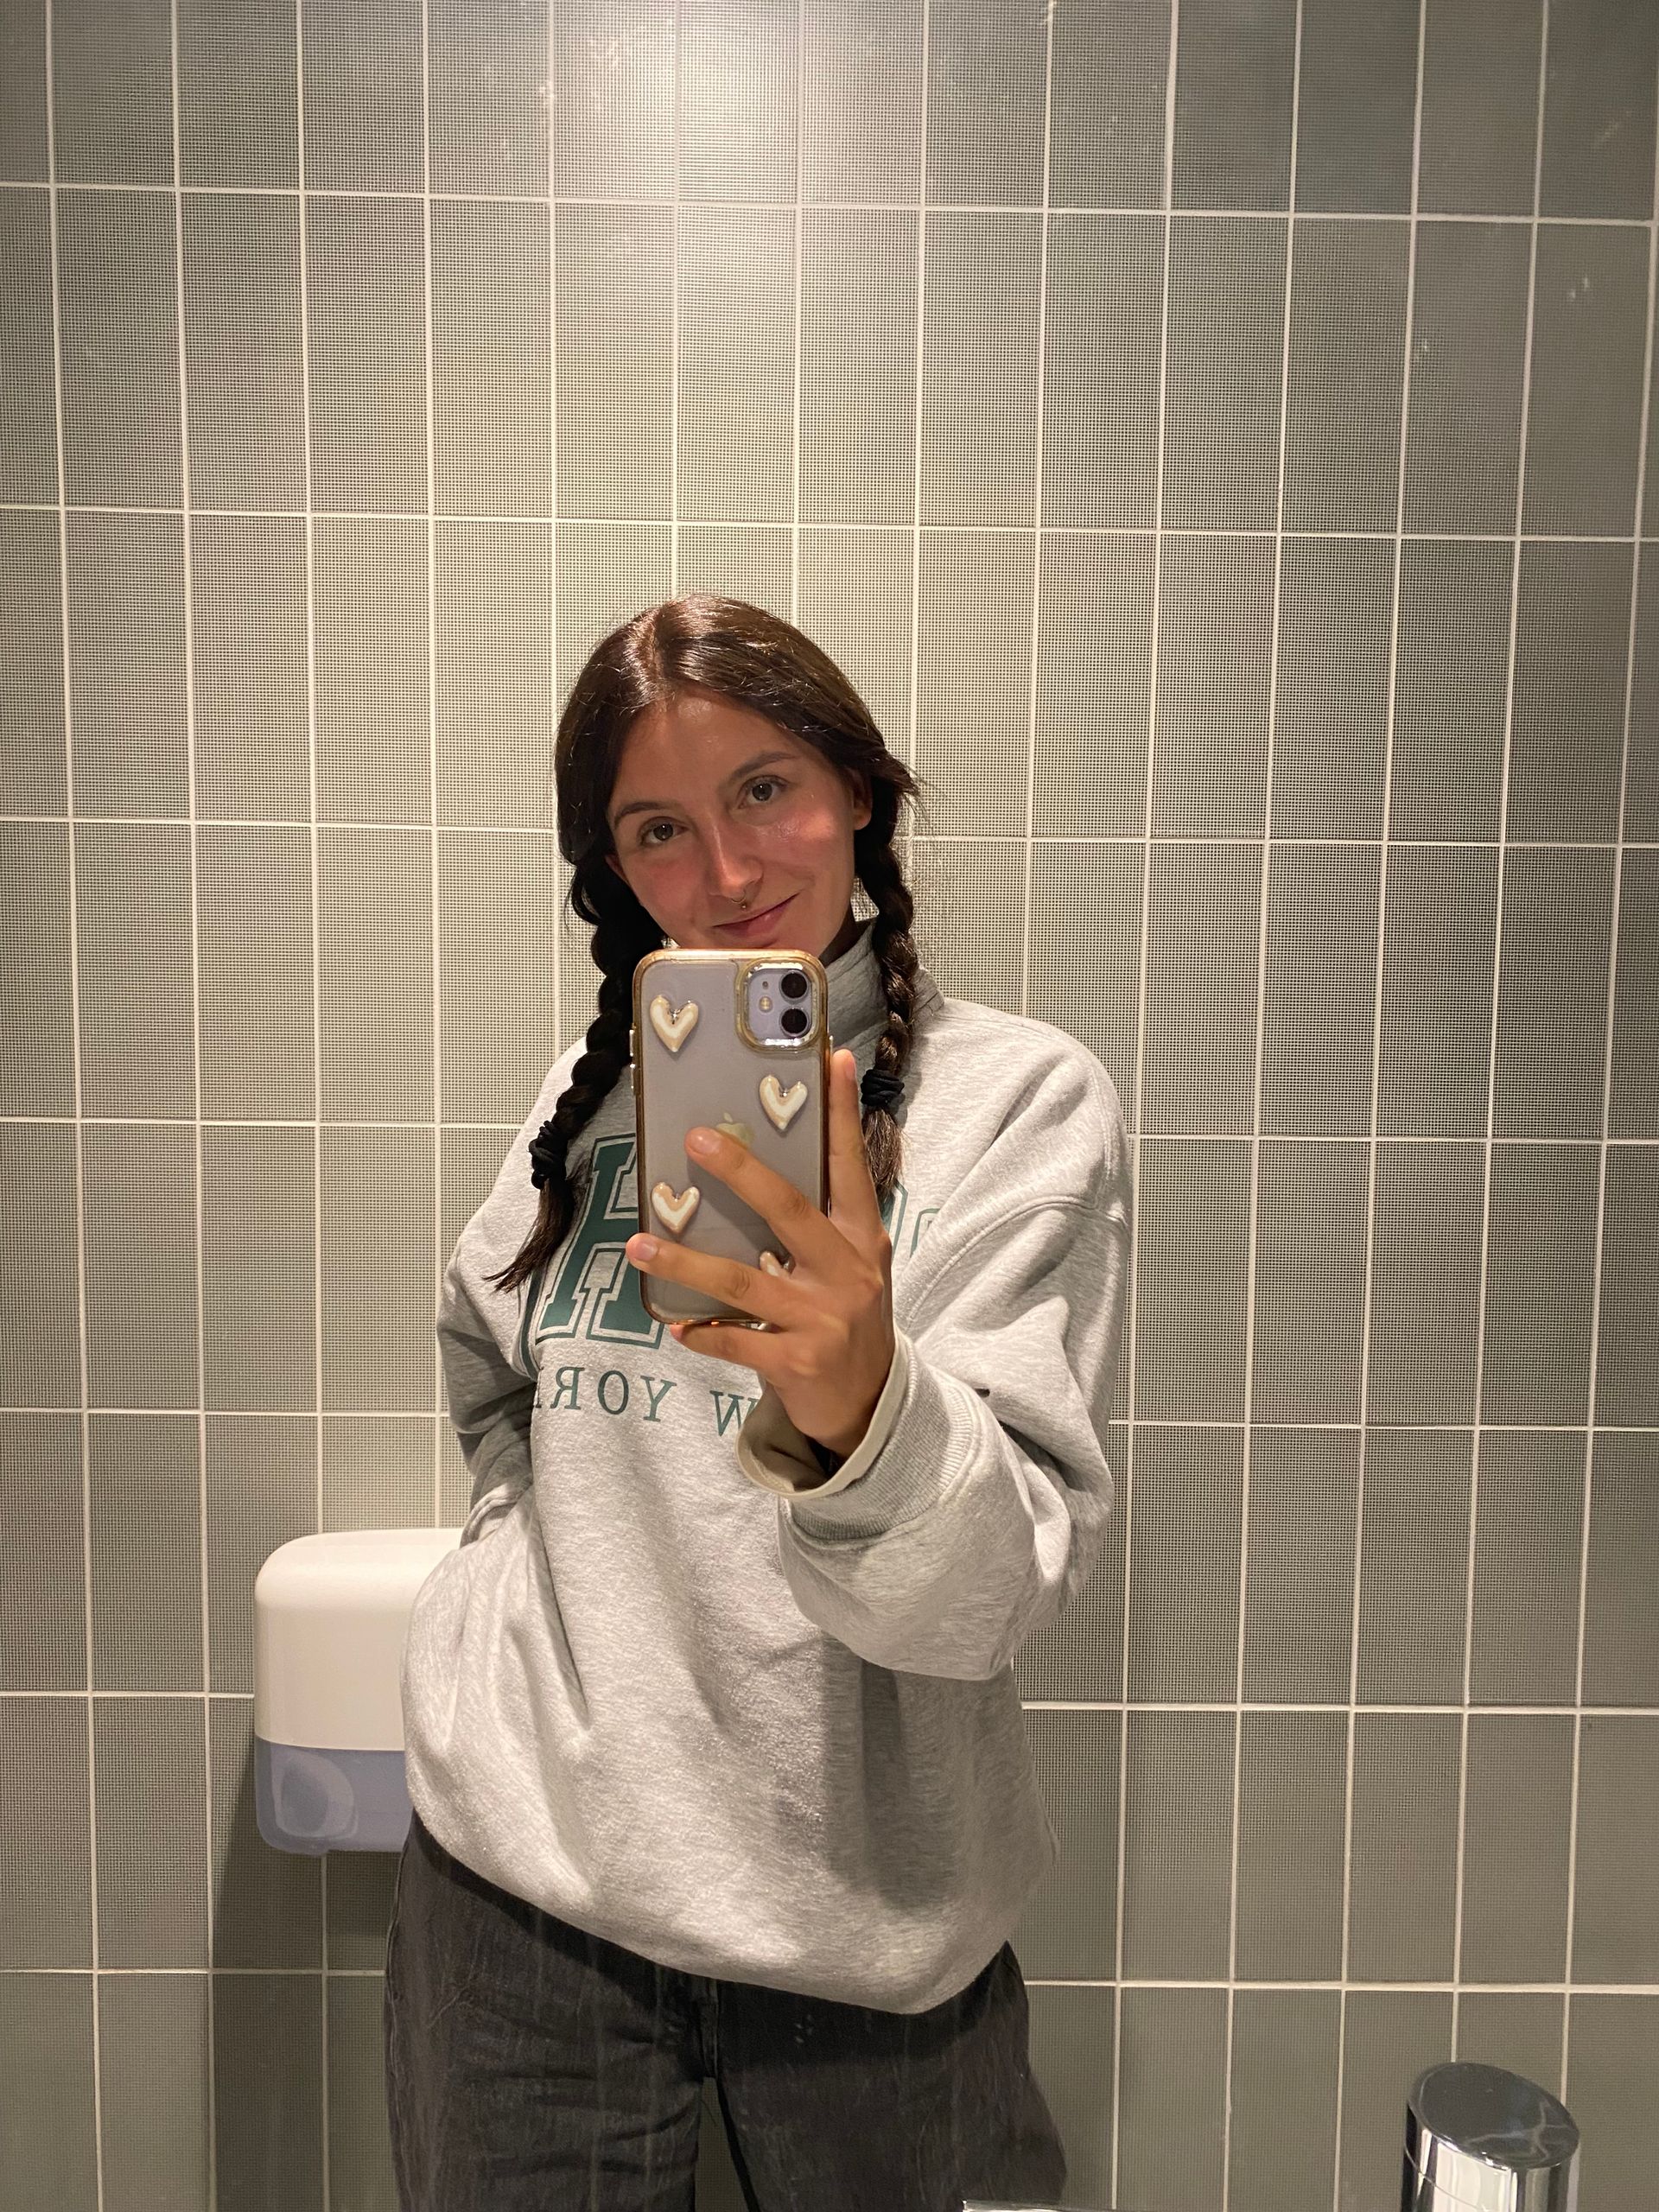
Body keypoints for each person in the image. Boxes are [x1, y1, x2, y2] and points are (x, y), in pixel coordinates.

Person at [385, 593, 1133, 2211]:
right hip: (523, 1901)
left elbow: (986, 1602)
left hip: (866, 1933)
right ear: (614, 868)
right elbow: (493, 1370)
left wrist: (866, 1407)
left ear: (857, 788)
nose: (723, 873)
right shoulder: (600, 1090)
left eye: (765, 790)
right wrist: (519, 1569)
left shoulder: (1020, 1103)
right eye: (657, 828)